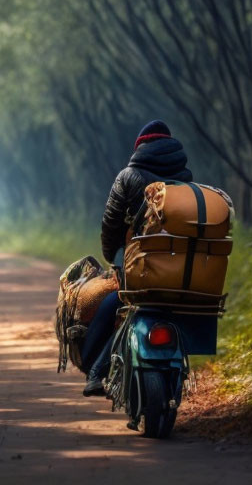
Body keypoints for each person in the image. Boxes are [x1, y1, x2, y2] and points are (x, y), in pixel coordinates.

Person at [81, 120, 193, 396]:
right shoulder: (187, 178)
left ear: (140, 147)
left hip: (143, 268)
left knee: (114, 304)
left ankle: (95, 370)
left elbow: (111, 224)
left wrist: (111, 258)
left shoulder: (128, 176)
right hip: (183, 270)